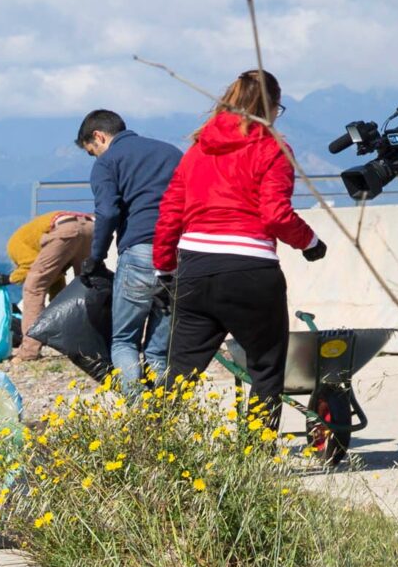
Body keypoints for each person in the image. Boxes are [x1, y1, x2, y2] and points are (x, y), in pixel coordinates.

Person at [156, 69, 327, 424]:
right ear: (270, 107)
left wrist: (165, 268)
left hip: (195, 268)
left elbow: (170, 213)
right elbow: (276, 215)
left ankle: (149, 452)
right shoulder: (272, 148)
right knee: (266, 367)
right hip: (250, 269)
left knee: (179, 373)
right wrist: (310, 242)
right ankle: (257, 460)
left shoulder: (197, 150)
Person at [77, 110, 183, 392]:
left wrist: (96, 257)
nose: (95, 157)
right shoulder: (171, 153)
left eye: (92, 151)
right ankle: (162, 418)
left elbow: (108, 212)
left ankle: (137, 419)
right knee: (159, 350)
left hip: (140, 252)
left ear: (98, 136)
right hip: (178, 255)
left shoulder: (107, 162)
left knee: (124, 341)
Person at [5, 211, 94, 360]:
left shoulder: (13, 245)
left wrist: (8, 279)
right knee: (84, 287)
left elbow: (29, 266)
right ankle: (86, 344)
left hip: (66, 229)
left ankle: (29, 351)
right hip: (90, 227)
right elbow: (57, 287)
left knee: (33, 288)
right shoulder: (36, 237)